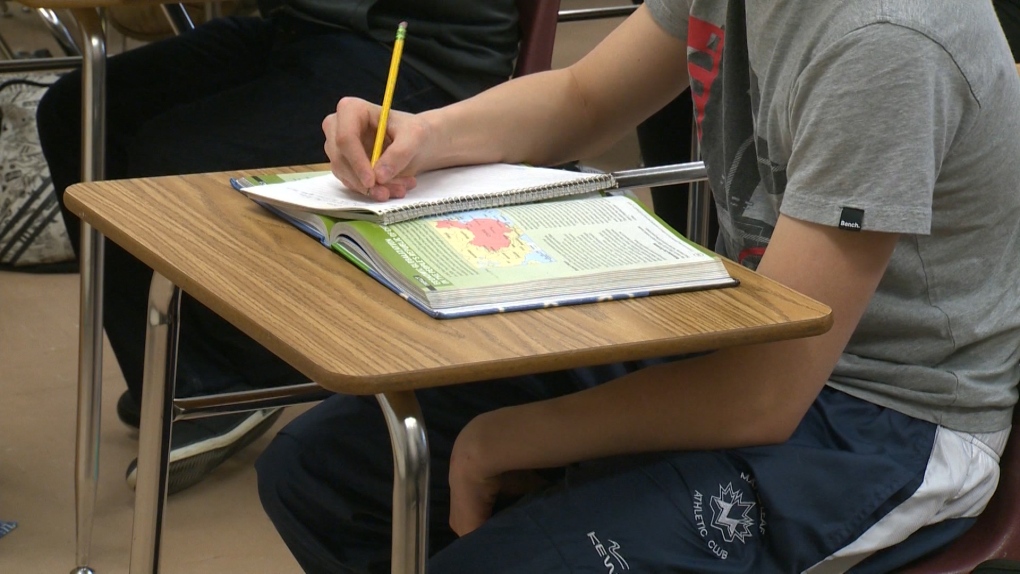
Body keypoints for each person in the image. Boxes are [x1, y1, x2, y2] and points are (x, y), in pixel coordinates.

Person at [255, 1, 1020, 572]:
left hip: (886, 419)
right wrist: (427, 136)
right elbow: (584, 97)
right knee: (326, 473)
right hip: (738, 333)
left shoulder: (887, 41)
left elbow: (765, 395)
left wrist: (507, 439)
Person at [36, 0, 521, 495]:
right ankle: (178, 373)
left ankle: (227, 382)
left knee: (171, 158)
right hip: (304, 27)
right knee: (75, 110)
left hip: (415, 47)